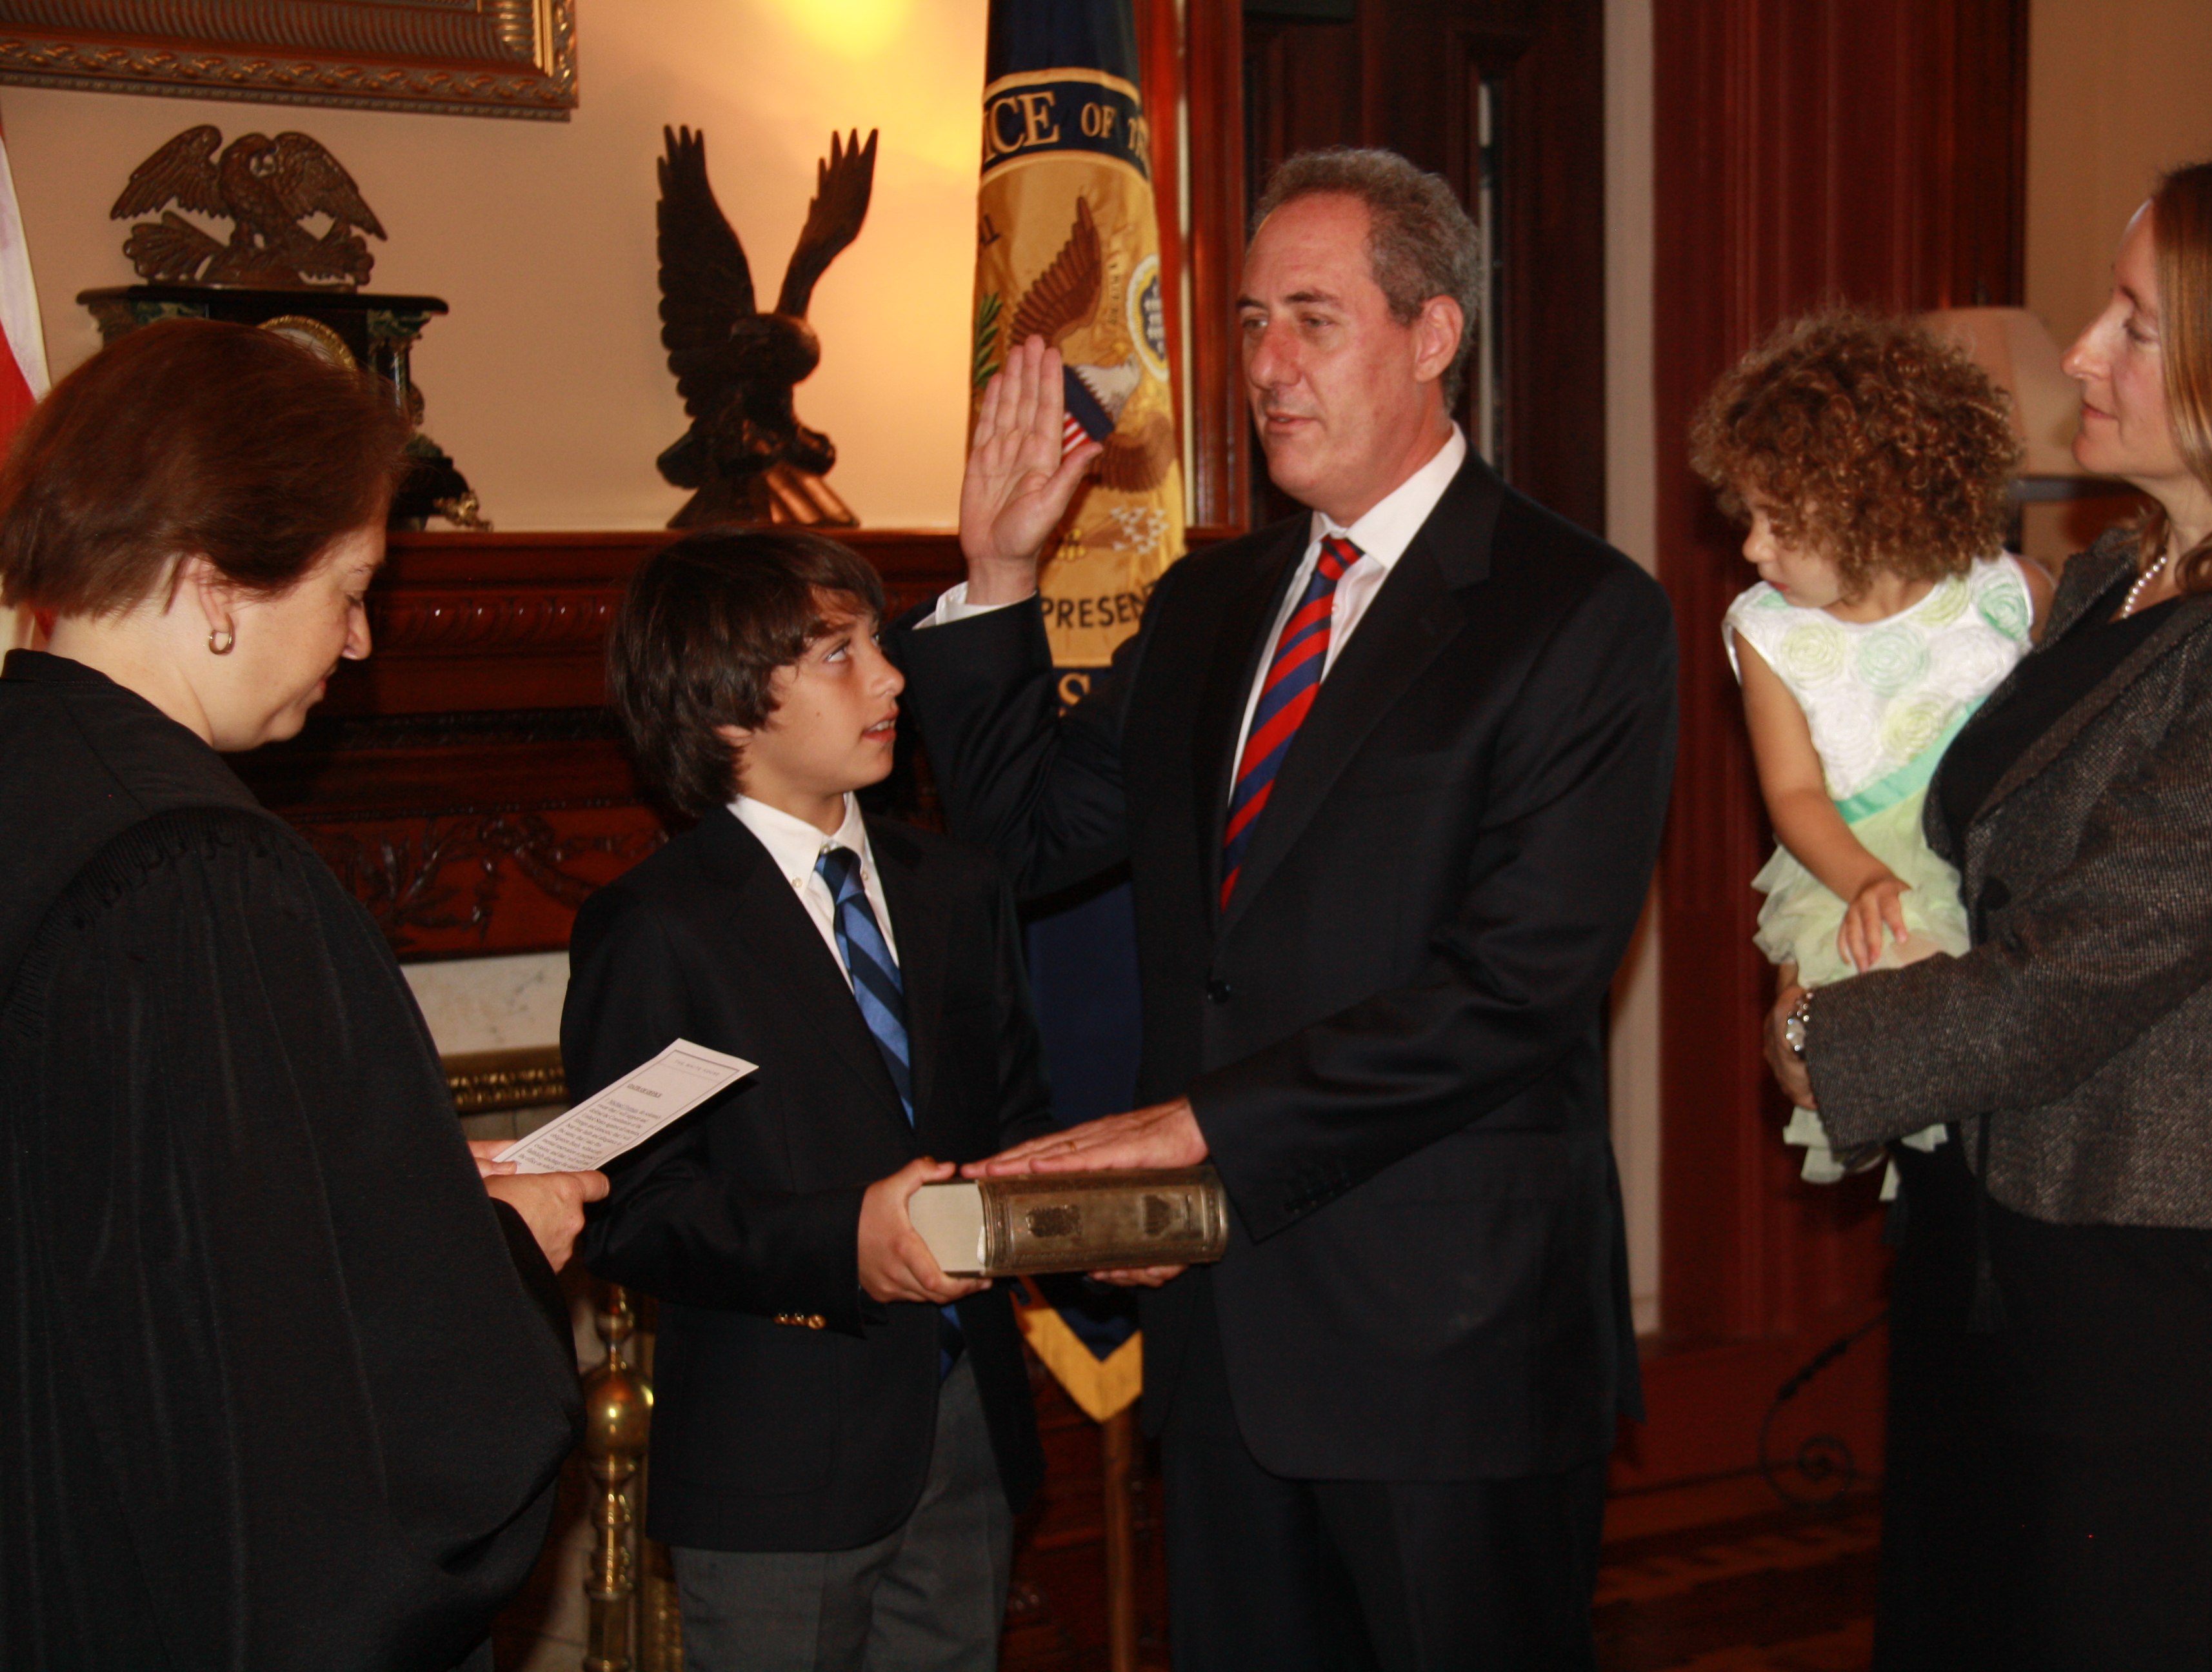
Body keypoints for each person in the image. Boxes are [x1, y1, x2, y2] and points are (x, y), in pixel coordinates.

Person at [891, 148, 1679, 1671]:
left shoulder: (1576, 613)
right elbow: (1028, 840)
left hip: (1445, 1344)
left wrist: (1199, 1132)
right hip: (1226, 1332)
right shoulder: (1209, 602)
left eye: (1311, 320)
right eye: (1249, 322)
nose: (1263, 366)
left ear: (1434, 333)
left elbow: (1514, 992)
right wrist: (996, 575)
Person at [1765, 151, 2212, 1669]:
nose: (2085, 354)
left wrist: (1839, 1039)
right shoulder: (2114, 583)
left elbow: (2099, 956)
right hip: (1996, 1227)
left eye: (2136, 321)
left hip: (2165, 1275)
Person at [0, 318, 608, 1671]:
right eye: (350, 586)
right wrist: (499, 1252)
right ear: (215, 582)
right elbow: (311, 1432)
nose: (360, 641)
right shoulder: (199, 876)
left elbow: (144, 1229)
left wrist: (376, 1181)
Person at [563, 528, 1053, 1672]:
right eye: (839, 654)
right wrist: (845, 1240)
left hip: (967, 1430)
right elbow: (630, 1207)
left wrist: (1100, 1213)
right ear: (729, 709)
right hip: (772, 1463)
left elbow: (1016, 1122)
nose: (890, 677)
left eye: (877, 643)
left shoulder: (959, 889)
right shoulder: (659, 927)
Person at [1693, 309, 2047, 1183]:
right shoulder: (1769, 634)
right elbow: (1796, 798)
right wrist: (1865, 881)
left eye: (1781, 523)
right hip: (1854, 866)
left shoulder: (2011, 594)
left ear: (1875, 508)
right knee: (1895, 993)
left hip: (2003, 866)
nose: (1750, 545)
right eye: (1749, 514)